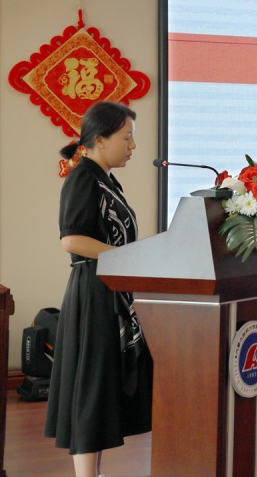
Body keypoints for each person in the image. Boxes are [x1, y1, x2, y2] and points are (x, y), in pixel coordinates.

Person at [44, 101, 153, 477]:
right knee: (91, 388)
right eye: (127, 137)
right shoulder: (83, 178)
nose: (133, 146)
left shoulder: (105, 179)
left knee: (102, 386)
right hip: (93, 292)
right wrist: (128, 257)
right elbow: (72, 240)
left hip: (110, 289)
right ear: (100, 139)